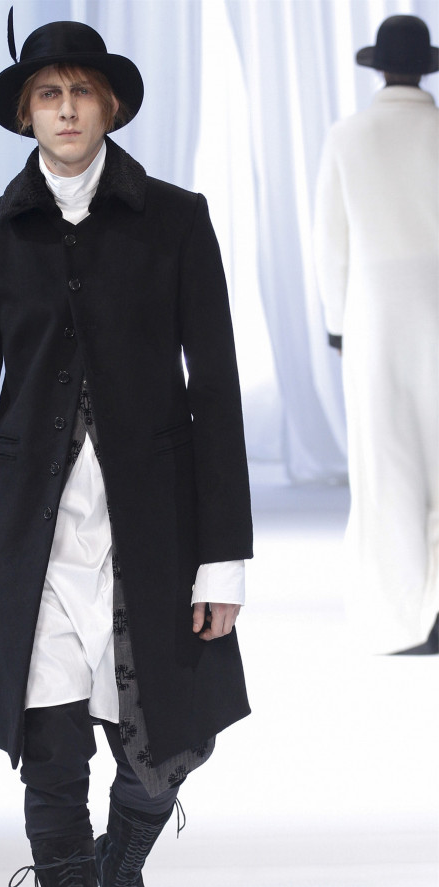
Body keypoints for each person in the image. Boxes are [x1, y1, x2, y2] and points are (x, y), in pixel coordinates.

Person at [0, 12, 253, 887]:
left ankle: (124, 865)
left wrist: (224, 557)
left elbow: (216, 392)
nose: (66, 109)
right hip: (33, 547)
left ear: (110, 106)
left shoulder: (175, 221)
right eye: (48, 94)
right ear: (26, 112)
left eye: (81, 92)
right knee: (49, 777)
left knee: (168, 748)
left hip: (151, 533)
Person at [314, 14, 439, 656]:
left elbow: (330, 241)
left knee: (387, 466)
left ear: (380, 67)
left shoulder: (348, 136)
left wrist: (338, 324)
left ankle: (401, 613)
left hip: (376, 315)